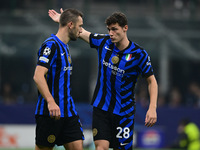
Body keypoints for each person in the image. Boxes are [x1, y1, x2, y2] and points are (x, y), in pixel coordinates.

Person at [49, 9, 158, 150]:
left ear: (125, 28)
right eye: (109, 30)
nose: (111, 33)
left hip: (124, 113)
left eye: (114, 29)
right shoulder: (104, 42)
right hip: (101, 109)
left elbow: (152, 81)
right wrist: (64, 21)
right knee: (101, 148)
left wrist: (152, 108)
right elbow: (81, 32)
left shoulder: (139, 54)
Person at [33, 8, 84, 150]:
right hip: (49, 113)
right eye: (80, 26)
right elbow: (38, 76)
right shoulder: (51, 45)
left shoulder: (65, 47)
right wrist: (51, 102)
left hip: (68, 113)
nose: (81, 30)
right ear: (70, 25)